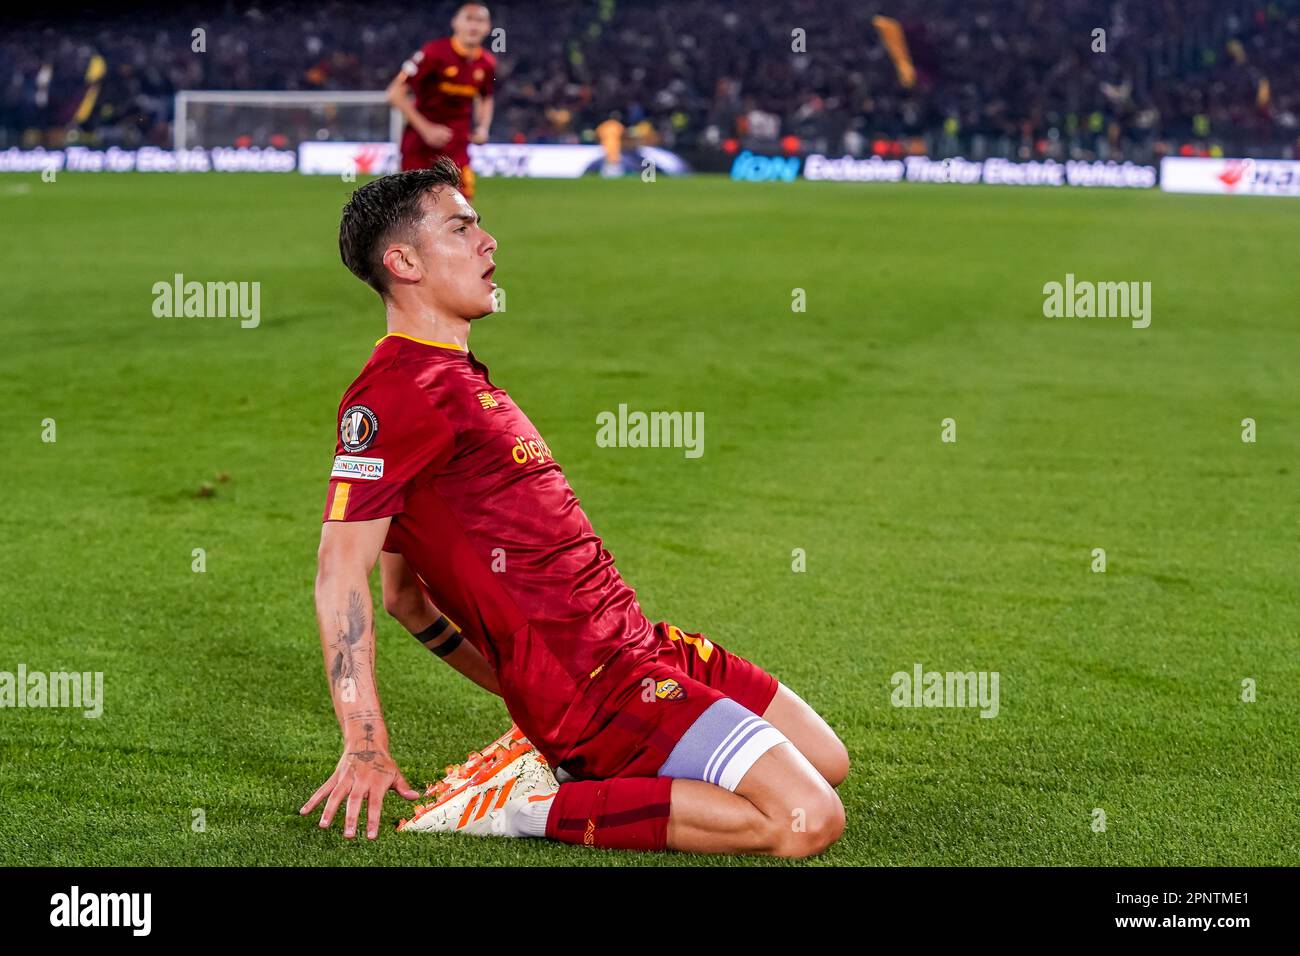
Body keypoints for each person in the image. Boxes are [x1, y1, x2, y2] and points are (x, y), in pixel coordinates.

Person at [300, 160, 848, 855]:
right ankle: (527, 805)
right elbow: (339, 575)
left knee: (829, 762)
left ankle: (560, 758)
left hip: (640, 646)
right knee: (807, 820)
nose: (488, 242)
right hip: (603, 685)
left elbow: (405, 599)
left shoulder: (457, 375)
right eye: (462, 228)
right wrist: (366, 741)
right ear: (402, 260)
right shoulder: (394, 393)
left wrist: (523, 693)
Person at [386, 2, 495, 199]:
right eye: (468, 19)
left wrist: (482, 127)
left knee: (461, 209)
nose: (474, 26)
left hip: (457, 146)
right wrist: (426, 128)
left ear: (488, 27)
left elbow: (486, 97)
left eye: (480, 21)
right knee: (414, 208)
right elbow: (395, 93)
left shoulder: (486, 64)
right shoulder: (433, 53)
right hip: (420, 145)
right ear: (455, 23)